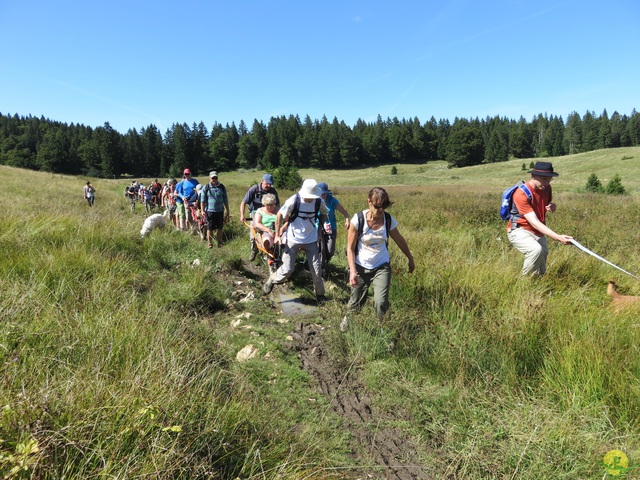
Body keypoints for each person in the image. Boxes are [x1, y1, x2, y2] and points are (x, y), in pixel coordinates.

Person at [342, 187, 415, 331]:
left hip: (382, 266)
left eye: (384, 206)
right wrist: (352, 271)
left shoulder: (388, 220)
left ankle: (383, 330)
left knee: (380, 302)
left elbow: (400, 240)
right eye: (377, 206)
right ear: (369, 202)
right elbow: (350, 248)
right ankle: (346, 324)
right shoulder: (358, 220)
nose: (381, 210)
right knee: (356, 302)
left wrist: (410, 258)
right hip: (361, 266)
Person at [262, 179, 328, 303]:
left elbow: (324, 213)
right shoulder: (294, 200)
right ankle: (272, 279)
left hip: (311, 239)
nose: (310, 199)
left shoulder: (319, 201)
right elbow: (280, 215)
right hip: (293, 239)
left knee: (316, 269)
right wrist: (277, 235)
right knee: (287, 269)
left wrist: (319, 232)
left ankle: (320, 295)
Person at [507, 161, 573, 276]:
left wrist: (551, 207)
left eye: (549, 179)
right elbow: (534, 222)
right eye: (544, 179)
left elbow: (546, 203)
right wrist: (558, 237)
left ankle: (538, 283)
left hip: (537, 231)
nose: (547, 183)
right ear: (533, 176)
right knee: (535, 251)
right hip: (519, 229)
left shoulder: (546, 188)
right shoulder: (521, 193)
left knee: (543, 254)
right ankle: (525, 283)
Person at [240, 174, 280, 260]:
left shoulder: (272, 191)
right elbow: (243, 202)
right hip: (255, 212)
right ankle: (254, 250)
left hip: (270, 213)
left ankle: (274, 249)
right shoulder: (254, 189)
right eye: (267, 183)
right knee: (254, 234)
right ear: (262, 181)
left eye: (270, 184)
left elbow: (278, 205)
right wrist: (242, 215)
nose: (268, 186)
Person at [316, 182, 350, 263]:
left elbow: (345, 212)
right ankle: (321, 268)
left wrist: (347, 219)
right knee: (321, 249)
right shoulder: (314, 201)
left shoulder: (332, 200)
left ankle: (326, 262)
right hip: (318, 228)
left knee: (330, 251)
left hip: (331, 228)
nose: (323, 196)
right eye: (321, 194)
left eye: (325, 193)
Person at [200, 171, 230, 248]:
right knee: (210, 228)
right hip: (210, 211)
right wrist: (203, 210)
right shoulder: (206, 187)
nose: (214, 179)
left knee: (220, 227)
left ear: (217, 178)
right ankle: (210, 243)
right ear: (210, 178)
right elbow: (202, 201)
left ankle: (219, 242)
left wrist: (227, 210)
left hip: (220, 211)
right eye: (212, 178)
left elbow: (225, 200)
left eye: (215, 177)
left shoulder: (222, 187)